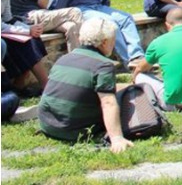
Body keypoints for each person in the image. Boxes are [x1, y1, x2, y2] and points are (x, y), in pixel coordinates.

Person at [38, 17, 133, 153]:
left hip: (48, 125)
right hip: (74, 131)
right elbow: (108, 102)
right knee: (125, 100)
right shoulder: (103, 65)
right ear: (105, 42)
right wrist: (116, 138)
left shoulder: (64, 59)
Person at [131, 7, 182, 110]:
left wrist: (134, 78)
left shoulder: (158, 42)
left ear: (167, 25)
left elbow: (140, 68)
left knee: (140, 76)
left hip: (176, 104)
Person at [2, 0, 48, 94]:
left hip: (3, 27)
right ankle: (45, 85)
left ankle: (21, 83)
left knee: (33, 38)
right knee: (23, 41)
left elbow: (8, 18)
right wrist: (25, 31)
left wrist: (28, 29)